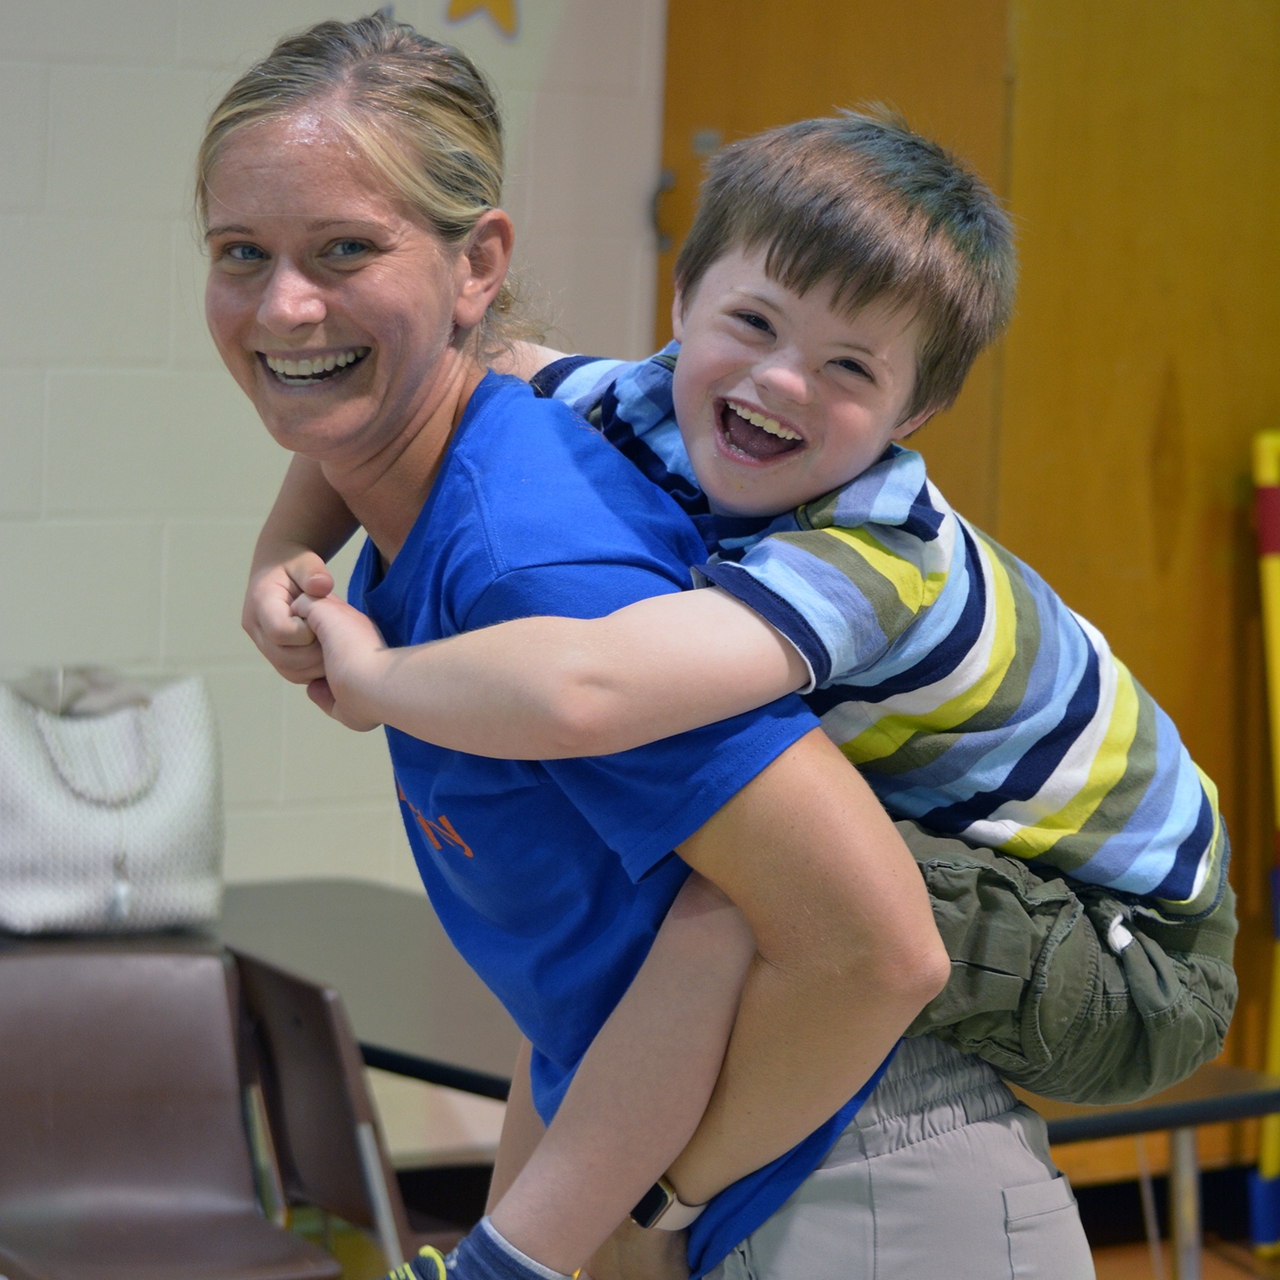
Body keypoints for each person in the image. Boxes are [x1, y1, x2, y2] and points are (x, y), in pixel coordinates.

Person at [248, 96, 1239, 1280]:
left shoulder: (866, 555)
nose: (778, 381)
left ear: (913, 414)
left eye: (848, 367)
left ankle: (585, 1230)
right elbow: (411, 378)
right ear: (682, 301)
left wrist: (376, 674)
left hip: (1132, 942)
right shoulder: (634, 402)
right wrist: (277, 559)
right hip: (1002, 871)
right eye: (753, 321)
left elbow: (589, 689)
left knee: (737, 900)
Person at [202, 16, 954, 1280]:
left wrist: (621, 1215)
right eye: (241, 251)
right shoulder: (442, 488)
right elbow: (611, 974)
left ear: (477, 262)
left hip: (842, 1182)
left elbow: (876, 946)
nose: (285, 302)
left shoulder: (533, 564)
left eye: (345, 248)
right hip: (683, 1147)